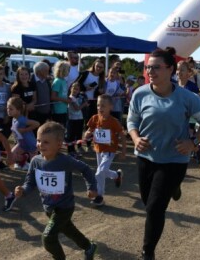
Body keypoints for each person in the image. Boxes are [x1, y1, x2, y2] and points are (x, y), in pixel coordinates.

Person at [127, 48, 200, 260]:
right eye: (148, 67)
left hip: (174, 160)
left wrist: (193, 143)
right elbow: (131, 122)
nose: (151, 71)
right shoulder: (140, 93)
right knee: (149, 205)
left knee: (155, 209)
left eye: (156, 67)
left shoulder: (187, 97)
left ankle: (148, 251)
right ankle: (174, 187)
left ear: (171, 69)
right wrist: (136, 139)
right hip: (146, 158)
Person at [14, 121, 98, 260]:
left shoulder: (65, 161)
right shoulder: (36, 161)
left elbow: (85, 169)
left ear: (59, 144)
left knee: (48, 237)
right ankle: (89, 247)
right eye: (39, 141)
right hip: (49, 208)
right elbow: (30, 182)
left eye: (46, 142)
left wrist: (92, 187)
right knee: (69, 230)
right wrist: (22, 190)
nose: (41, 145)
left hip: (64, 207)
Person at [83, 94, 126, 207]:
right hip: (98, 149)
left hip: (110, 149)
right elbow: (90, 130)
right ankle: (117, 175)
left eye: (103, 106)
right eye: (98, 105)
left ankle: (99, 196)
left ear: (110, 107)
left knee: (100, 172)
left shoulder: (114, 121)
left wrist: (123, 150)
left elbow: (122, 135)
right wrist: (86, 135)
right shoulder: (95, 118)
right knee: (103, 171)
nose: (100, 108)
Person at [7, 97, 40, 170]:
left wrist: (25, 130)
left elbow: (37, 124)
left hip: (30, 144)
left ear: (18, 110)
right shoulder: (14, 118)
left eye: (11, 109)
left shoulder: (21, 119)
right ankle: (24, 161)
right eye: (7, 108)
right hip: (22, 144)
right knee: (12, 156)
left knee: (34, 165)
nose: (8, 111)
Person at [67, 82, 88, 156]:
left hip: (80, 118)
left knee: (78, 134)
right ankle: (70, 150)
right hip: (72, 119)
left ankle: (78, 148)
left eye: (77, 89)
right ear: (71, 88)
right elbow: (77, 108)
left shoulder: (79, 97)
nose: (75, 90)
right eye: (74, 88)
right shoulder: (71, 98)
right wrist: (84, 104)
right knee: (71, 136)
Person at [30, 61, 52, 128]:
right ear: (39, 71)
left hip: (46, 114)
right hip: (35, 114)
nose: (48, 72)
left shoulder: (47, 81)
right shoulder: (31, 81)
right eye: (46, 71)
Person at [50, 61, 72, 127]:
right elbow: (53, 97)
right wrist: (65, 100)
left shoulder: (63, 81)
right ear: (63, 70)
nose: (69, 71)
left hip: (64, 109)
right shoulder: (57, 81)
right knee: (59, 130)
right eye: (68, 70)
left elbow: (63, 94)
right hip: (58, 111)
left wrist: (68, 98)